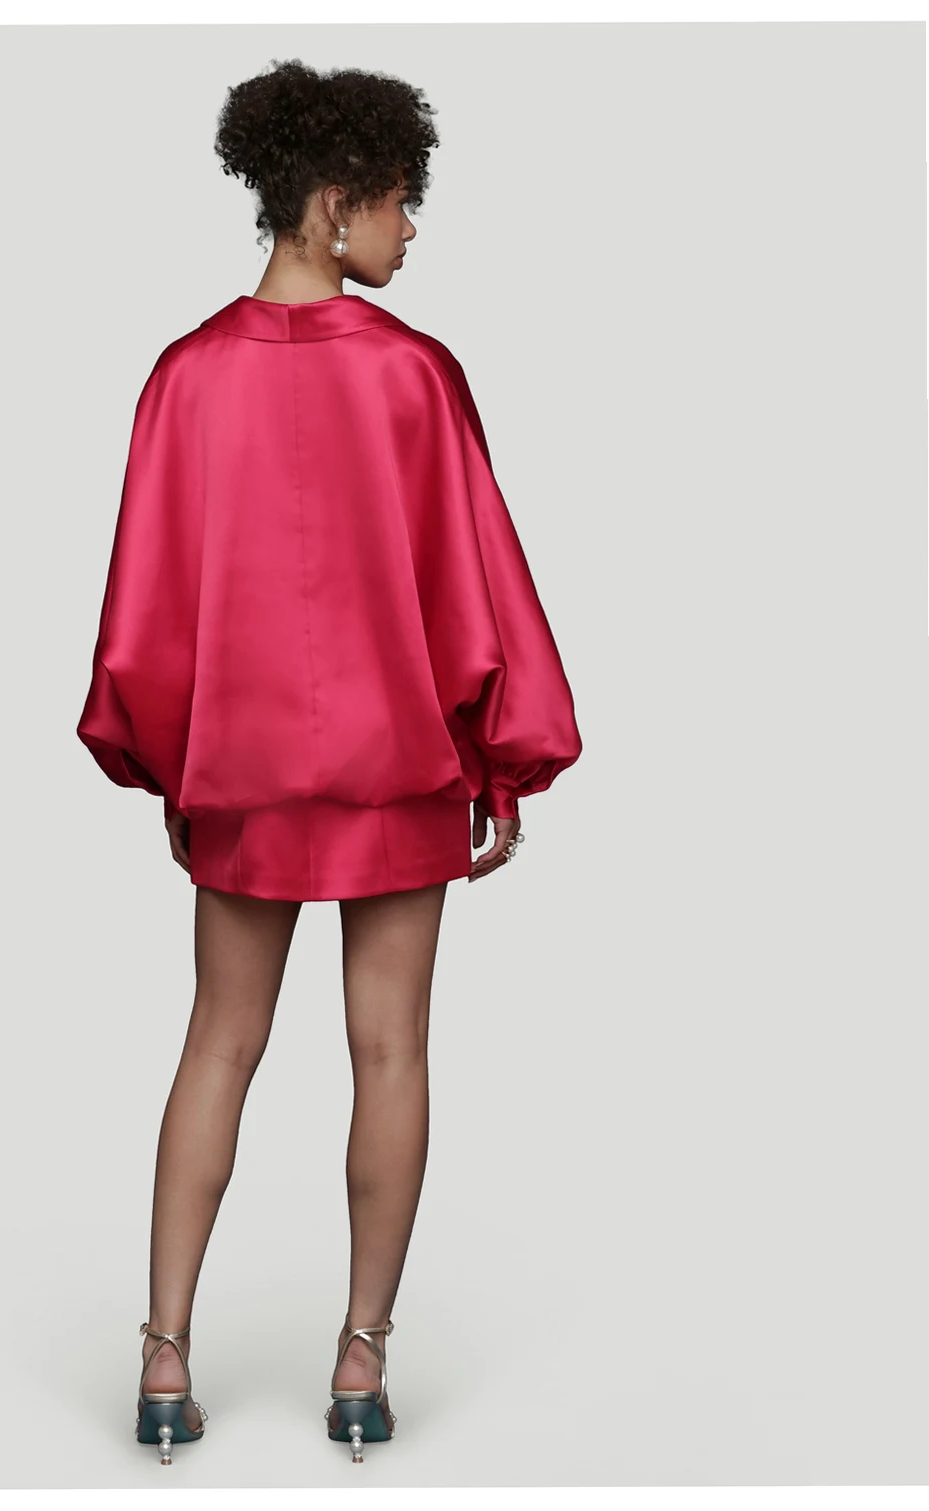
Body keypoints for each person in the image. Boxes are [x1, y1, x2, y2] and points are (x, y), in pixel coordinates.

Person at [76, 58, 582, 1466]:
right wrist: (500, 762)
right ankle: (361, 1360)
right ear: (337, 198)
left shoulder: (184, 378)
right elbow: (474, 591)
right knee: (391, 1046)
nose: (411, 232)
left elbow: (145, 611)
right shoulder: (417, 377)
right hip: (401, 773)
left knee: (217, 1039)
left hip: (242, 783)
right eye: (402, 203)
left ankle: (163, 1358)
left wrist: (175, 768)